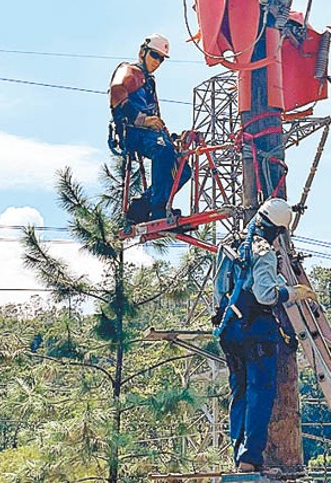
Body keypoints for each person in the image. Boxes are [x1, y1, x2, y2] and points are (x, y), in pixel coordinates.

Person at [213, 198, 317, 473]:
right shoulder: (264, 251)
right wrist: (293, 293)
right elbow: (265, 294)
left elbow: (220, 290)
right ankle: (251, 457)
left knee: (240, 393)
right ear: (277, 230)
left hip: (229, 331)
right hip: (256, 332)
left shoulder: (230, 246)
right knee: (260, 392)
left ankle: (239, 456)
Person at [109, 33, 191, 224]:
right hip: (132, 131)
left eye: (161, 59)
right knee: (162, 151)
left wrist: (167, 135)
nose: (158, 61)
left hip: (150, 132)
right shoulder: (130, 71)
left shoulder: (149, 80)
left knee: (183, 170)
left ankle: (142, 207)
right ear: (142, 52)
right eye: (155, 56)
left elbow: (154, 113)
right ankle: (158, 208)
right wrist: (141, 120)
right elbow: (117, 92)